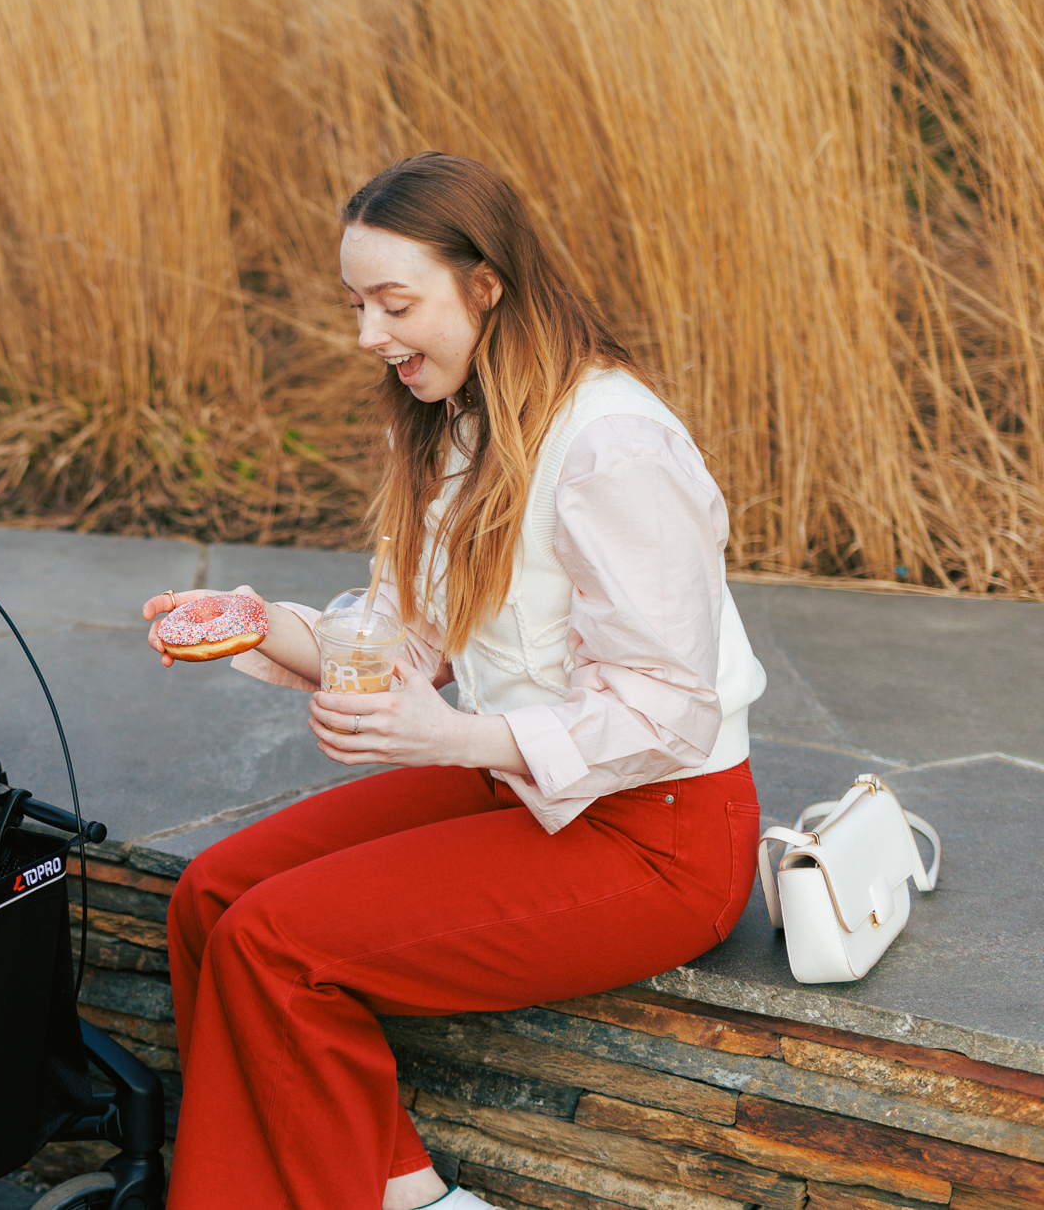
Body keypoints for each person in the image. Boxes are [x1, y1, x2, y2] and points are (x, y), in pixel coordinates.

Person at [145, 152, 767, 1210]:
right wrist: (260, 626)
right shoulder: (459, 423)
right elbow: (396, 635)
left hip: (658, 833)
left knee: (276, 946)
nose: (366, 337)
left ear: (485, 284)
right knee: (213, 898)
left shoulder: (610, 448)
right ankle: (388, 1188)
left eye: (395, 304)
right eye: (356, 304)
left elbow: (668, 710)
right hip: (521, 781)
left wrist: (449, 739)